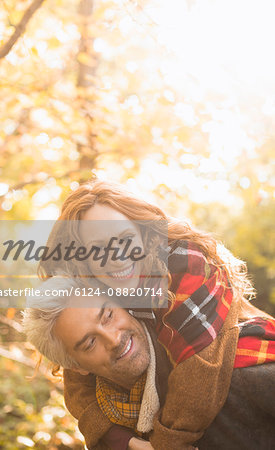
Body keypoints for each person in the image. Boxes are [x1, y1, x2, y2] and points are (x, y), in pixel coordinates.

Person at [34, 179, 275, 449]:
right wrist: (119, 440)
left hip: (250, 353)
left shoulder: (182, 261)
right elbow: (77, 378)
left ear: (142, 232)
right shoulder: (94, 287)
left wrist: (164, 445)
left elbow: (199, 370)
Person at [23, 280, 275, 450]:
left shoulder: (240, 372)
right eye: (90, 342)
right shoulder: (108, 432)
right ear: (75, 367)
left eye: (108, 315)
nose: (113, 339)